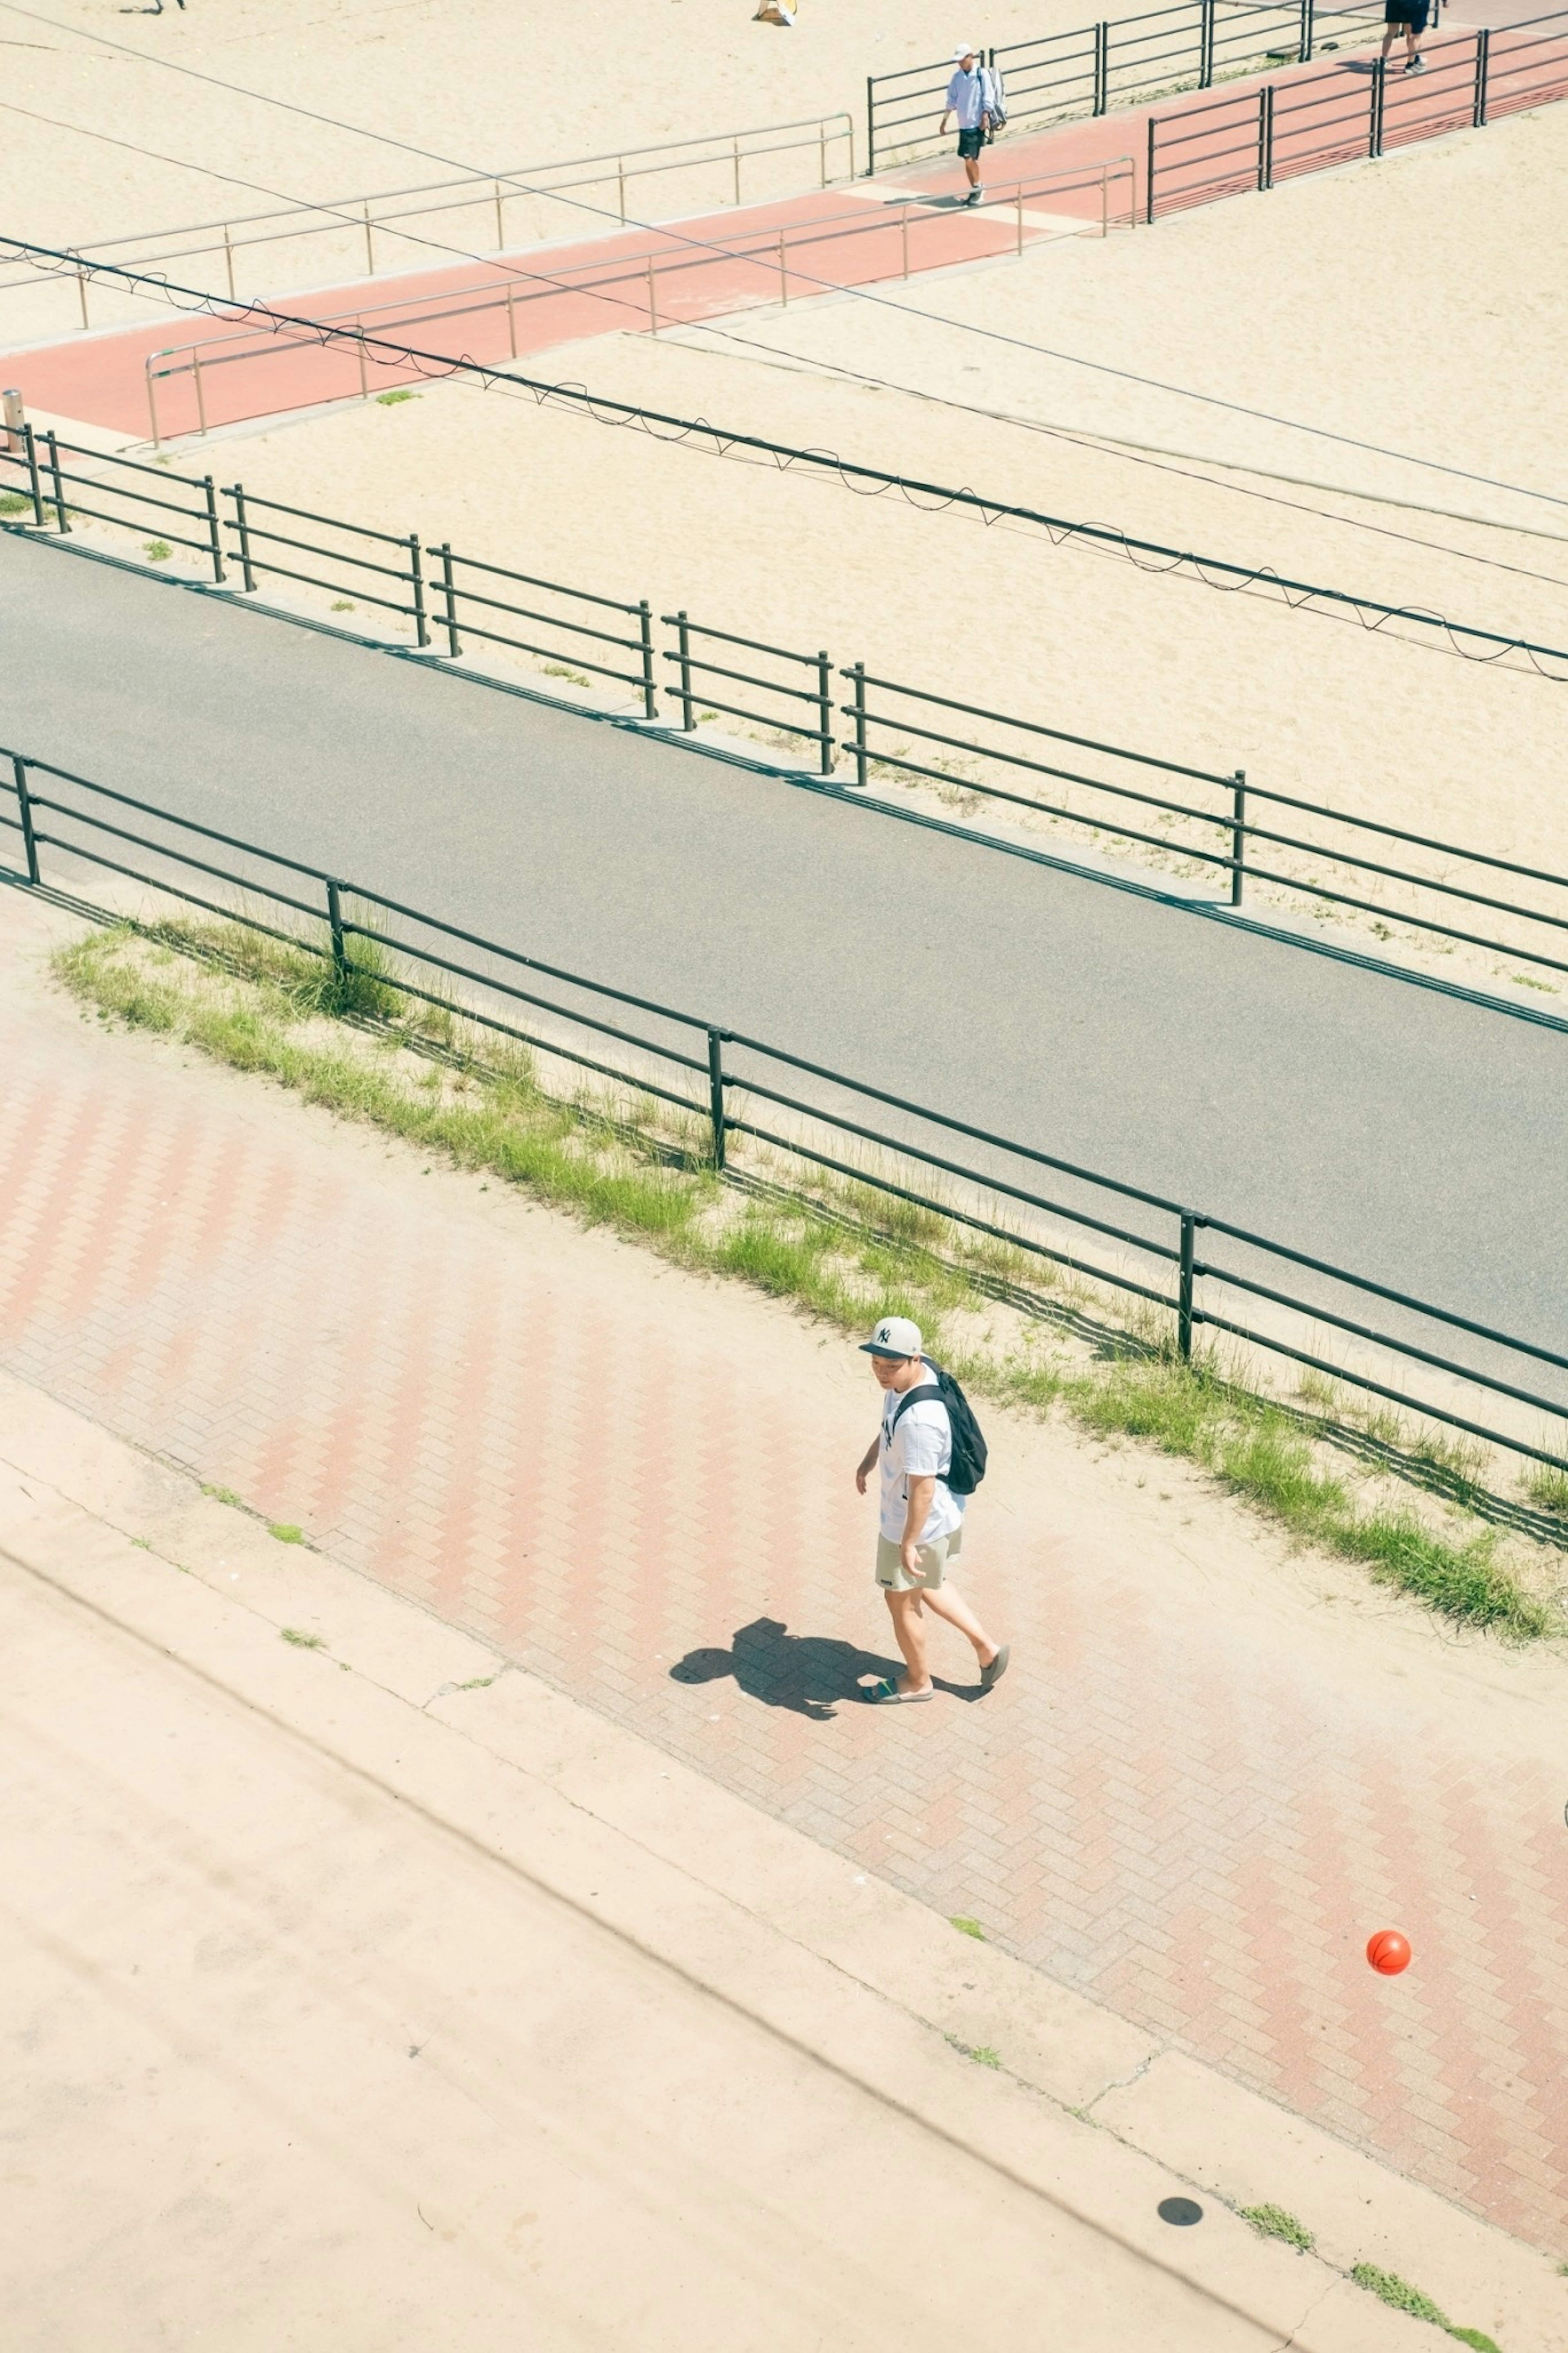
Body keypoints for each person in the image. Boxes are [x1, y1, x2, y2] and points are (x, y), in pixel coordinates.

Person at [854, 1315, 1009, 1704]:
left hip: (913, 1523)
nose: (882, 1373)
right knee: (924, 1584)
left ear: (914, 1358)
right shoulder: (917, 1378)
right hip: (939, 1516)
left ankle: (917, 1681)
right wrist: (870, 1459)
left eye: (891, 1366)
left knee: (900, 1599)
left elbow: (921, 1489)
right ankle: (986, 1647)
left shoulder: (922, 1422)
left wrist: (907, 1543)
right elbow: (892, 1421)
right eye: (877, 1363)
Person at [938, 45, 1000, 207]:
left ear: (970, 57)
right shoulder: (957, 78)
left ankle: (979, 188)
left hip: (976, 123)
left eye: (962, 60)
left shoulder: (982, 74)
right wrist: (944, 121)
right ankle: (975, 189)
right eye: (958, 61)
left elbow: (989, 95)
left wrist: (985, 116)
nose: (960, 63)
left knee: (969, 158)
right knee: (967, 159)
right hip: (964, 124)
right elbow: (951, 100)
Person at [1381, 0, 1428, 73]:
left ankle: (1384, 59)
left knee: (1390, 33)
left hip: (1394, 3)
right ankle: (1412, 61)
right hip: (1410, 4)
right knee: (1411, 34)